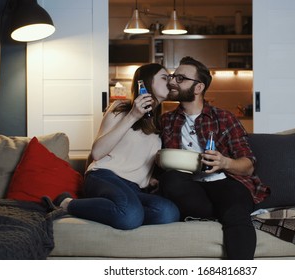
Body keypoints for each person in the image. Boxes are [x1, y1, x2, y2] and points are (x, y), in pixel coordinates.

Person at [158, 56, 270, 259]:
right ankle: (220, 212)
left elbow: (249, 165)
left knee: (235, 210)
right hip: (190, 188)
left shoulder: (224, 118)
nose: (173, 82)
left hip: (225, 183)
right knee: (170, 179)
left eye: (181, 78)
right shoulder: (166, 120)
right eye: (173, 76)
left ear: (198, 88)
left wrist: (224, 162)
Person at [44, 63, 180, 230]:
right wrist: (133, 116)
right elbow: (97, 152)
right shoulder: (121, 108)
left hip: (134, 187)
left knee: (168, 212)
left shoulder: (161, 123)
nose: (170, 81)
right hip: (104, 176)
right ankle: (67, 204)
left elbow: (140, 158)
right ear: (145, 82)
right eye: (164, 77)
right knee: (130, 216)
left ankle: (120, 210)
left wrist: (150, 177)